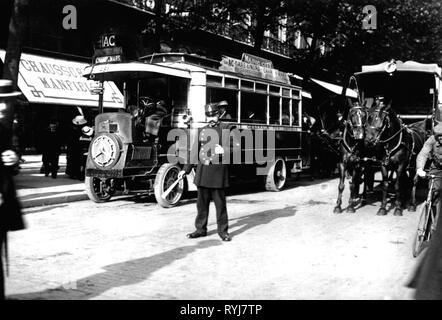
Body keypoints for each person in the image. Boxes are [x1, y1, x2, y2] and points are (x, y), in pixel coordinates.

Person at [178, 102, 238, 242]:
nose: (211, 118)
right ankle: (200, 229)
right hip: (203, 172)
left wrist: (224, 150)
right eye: (208, 115)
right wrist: (185, 170)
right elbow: (194, 152)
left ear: (219, 114)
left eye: (214, 115)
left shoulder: (227, 128)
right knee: (201, 204)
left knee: (220, 205)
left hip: (218, 173)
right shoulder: (201, 130)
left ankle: (223, 231)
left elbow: (237, 148)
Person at [408, 122, 442, 299]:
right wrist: (420, 168)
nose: (440, 138)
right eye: (438, 136)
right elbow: (422, 153)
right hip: (436, 171)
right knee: (432, 196)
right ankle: (428, 223)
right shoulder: (431, 140)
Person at [0, 79, 25, 300]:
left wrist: (13, 160)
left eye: (7, 102)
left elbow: (11, 165)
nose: (4, 107)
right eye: (0, 102)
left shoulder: (4, 128)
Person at [66, 115, 87, 180]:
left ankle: (73, 173)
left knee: (74, 161)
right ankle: (76, 173)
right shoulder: (84, 130)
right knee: (77, 161)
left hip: (74, 147)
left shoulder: (72, 129)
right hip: (78, 147)